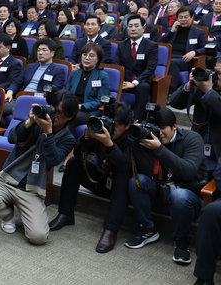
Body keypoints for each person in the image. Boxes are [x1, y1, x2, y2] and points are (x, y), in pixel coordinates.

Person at [50, 102, 153, 253]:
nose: (110, 128)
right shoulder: (103, 130)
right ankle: (65, 214)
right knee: (73, 163)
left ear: (127, 125)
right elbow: (79, 154)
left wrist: (109, 144)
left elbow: (125, 165)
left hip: (122, 192)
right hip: (100, 181)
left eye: (115, 125)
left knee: (124, 175)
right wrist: (85, 138)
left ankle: (110, 230)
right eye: (110, 123)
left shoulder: (134, 137)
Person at [0, 89, 78, 244]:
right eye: (53, 109)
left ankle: (23, 209)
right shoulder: (37, 119)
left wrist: (48, 133)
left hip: (32, 189)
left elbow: (53, 160)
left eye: (59, 112)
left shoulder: (68, 138)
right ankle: (8, 215)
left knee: (39, 237)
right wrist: (29, 122)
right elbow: (12, 138)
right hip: (8, 180)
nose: (54, 115)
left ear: (70, 116)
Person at [125, 108, 208, 265]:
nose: (159, 133)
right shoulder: (150, 139)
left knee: (179, 195)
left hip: (189, 197)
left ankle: (182, 242)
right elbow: (143, 170)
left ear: (174, 126)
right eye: (156, 128)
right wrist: (136, 139)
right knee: (137, 181)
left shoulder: (193, 139)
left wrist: (159, 149)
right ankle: (148, 229)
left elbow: (188, 171)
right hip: (161, 192)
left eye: (162, 128)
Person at [170, 60, 221, 174]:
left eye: (220, 73)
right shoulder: (204, 89)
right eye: (214, 72)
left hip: (217, 153)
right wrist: (189, 86)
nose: (216, 76)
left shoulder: (208, 91)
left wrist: (209, 92)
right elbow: (174, 103)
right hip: (197, 148)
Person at [4, 38, 66, 119]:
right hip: (22, 98)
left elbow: (56, 89)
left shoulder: (58, 70)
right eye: (38, 50)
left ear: (52, 53)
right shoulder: (30, 67)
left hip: (39, 102)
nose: (40, 53)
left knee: (26, 115)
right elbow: (17, 82)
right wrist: (10, 92)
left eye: (44, 50)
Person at [114, 15, 158, 120]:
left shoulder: (151, 45)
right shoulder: (121, 45)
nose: (133, 29)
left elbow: (150, 69)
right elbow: (116, 65)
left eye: (136, 26)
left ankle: (137, 120)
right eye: (130, 26)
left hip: (142, 80)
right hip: (125, 80)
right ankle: (115, 118)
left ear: (143, 28)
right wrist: (122, 82)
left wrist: (134, 82)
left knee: (142, 87)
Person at [159, 7, 208, 90]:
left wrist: (194, 52)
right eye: (180, 17)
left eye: (186, 17)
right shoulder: (173, 30)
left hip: (185, 59)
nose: (183, 19)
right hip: (169, 57)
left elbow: (205, 48)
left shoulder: (199, 32)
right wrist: (171, 32)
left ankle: (171, 91)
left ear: (192, 17)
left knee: (173, 63)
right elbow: (159, 43)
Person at [66, 43, 110, 127]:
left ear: (98, 59)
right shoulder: (75, 73)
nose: (87, 58)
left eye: (91, 56)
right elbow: (67, 93)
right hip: (71, 108)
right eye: (84, 55)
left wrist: (82, 106)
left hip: (89, 112)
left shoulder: (102, 76)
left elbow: (101, 100)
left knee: (72, 117)